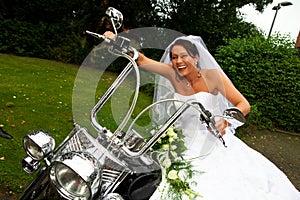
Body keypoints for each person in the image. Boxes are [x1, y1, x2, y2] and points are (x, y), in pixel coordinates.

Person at [103, 32, 300, 199]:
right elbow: (142, 59)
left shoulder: (212, 76)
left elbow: (243, 105)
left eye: (183, 56)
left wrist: (226, 121)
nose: (178, 61)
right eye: (174, 57)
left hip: (210, 140)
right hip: (177, 140)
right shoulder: (173, 74)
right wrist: (118, 40)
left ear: (196, 57)